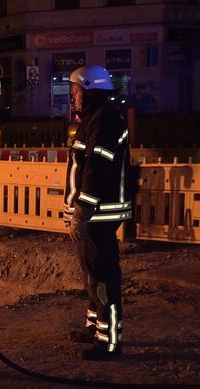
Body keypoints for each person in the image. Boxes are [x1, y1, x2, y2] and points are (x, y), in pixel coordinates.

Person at [64, 65, 133, 361]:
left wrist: (83, 208)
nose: (72, 97)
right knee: (92, 273)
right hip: (93, 212)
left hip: (98, 213)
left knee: (102, 276)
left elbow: (97, 169)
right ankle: (95, 327)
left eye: (76, 91)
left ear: (90, 90)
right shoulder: (95, 119)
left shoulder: (103, 121)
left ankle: (108, 340)